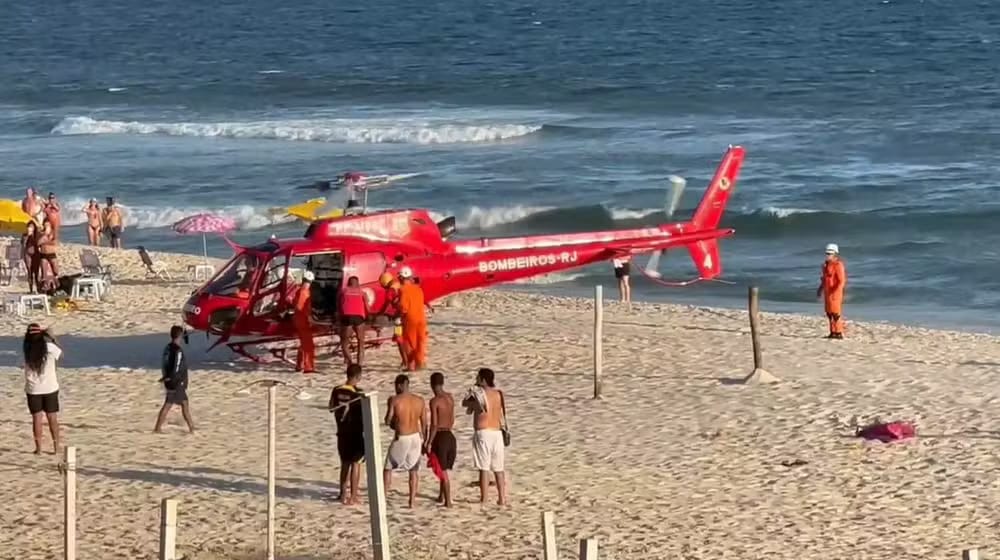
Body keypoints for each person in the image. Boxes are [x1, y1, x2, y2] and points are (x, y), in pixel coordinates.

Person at [461, 368, 508, 505]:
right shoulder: (499, 394)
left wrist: (472, 392)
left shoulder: (479, 394)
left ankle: (484, 498)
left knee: (484, 467)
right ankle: (502, 498)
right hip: (497, 432)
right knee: (499, 468)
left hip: (484, 432)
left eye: (478, 377)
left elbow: (465, 403)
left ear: (482, 380)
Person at [383, 374, 427, 508]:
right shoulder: (419, 400)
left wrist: (393, 420)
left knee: (388, 468)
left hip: (402, 437)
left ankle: (383, 497)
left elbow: (388, 420)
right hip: (416, 437)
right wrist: (424, 439)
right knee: (413, 470)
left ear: (400, 385)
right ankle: (412, 501)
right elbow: (424, 423)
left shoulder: (395, 400)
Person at [23, 324, 63, 454]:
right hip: (50, 386)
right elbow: (61, 354)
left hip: (33, 388)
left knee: (37, 418)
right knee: (52, 417)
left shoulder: (27, 349)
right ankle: (56, 447)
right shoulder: (50, 347)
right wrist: (52, 338)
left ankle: (39, 448)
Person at [329, 364, 365, 505]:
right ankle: (353, 495)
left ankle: (342, 494)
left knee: (344, 463)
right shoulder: (358, 393)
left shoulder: (336, 390)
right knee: (356, 463)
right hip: (355, 432)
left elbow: (331, 407)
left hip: (341, 431)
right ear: (358, 377)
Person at [154, 326, 196, 433]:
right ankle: (192, 428)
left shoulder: (167, 348)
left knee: (170, 403)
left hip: (170, 380)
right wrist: (173, 378)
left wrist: (165, 377)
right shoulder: (178, 350)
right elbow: (176, 367)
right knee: (183, 404)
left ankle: (158, 428)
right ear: (180, 336)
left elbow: (165, 363)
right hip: (176, 381)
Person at [425, 372, 457, 507]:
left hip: (441, 436)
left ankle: (448, 501)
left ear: (432, 384)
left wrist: (429, 442)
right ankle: (440, 495)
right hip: (450, 435)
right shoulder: (450, 398)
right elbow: (452, 418)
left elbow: (434, 424)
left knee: (442, 470)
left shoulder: (434, 401)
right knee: (442, 467)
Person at [397, 266, 428, 371]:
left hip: (410, 319)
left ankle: (411, 366)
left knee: (409, 343)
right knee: (420, 341)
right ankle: (420, 363)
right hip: (421, 318)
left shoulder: (402, 290)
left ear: (401, 278)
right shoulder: (418, 289)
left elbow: (403, 307)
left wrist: (399, 316)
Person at [338, 276, 370, 366]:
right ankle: (359, 364)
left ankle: (349, 362)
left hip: (347, 317)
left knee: (344, 341)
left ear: (348, 283)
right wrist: (370, 316)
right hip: (359, 317)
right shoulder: (362, 292)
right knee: (361, 341)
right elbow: (367, 308)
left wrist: (339, 316)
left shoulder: (343, 291)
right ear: (358, 283)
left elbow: (339, 305)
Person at [817, 243, 847, 339]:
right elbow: (824, 279)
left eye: (830, 253)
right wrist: (820, 289)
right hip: (827, 292)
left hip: (835, 293)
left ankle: (839, 332)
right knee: (829, 313)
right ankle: (832, 332)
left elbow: (841, 280)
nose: (828, 255)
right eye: (827, 253)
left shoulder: (838, 265)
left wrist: (836, 291)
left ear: (835, 254)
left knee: (836, 313)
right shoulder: (825, 265)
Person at [293, 271, 316, 373]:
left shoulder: (300, 291)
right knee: (308, 345)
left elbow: (296, 304)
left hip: (299, 319)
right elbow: (300, 307)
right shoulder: (304, 292)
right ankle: (308, 367)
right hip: (303, 320)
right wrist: (309, 317)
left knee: (303, 343)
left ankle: (299, 365)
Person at [36, 220, 59, 291]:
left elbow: (55, 242)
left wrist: (45, 240)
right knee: (44, 269)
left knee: (55, 268)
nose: (46, 227)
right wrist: (44, 237)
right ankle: (45, 286)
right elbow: (38, 243)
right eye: (45, 225)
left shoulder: (53, 233)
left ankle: (55, 281)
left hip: (51, 253)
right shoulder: (41, 233)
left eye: (48, 225)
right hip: (43, 254)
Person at [21, 221, 39, 293]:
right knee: (29, 271)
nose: (29, 228)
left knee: (36, 272)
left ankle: (38, 288)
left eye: (31, 227)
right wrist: (27, 236)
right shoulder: (24, 235)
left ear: (34, 228)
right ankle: (30, 289)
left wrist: (32, 236)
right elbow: (23, 245)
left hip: (35, 254)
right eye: (28, 226)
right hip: (27, 254)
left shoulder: (36, 235)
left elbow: (38, 244)